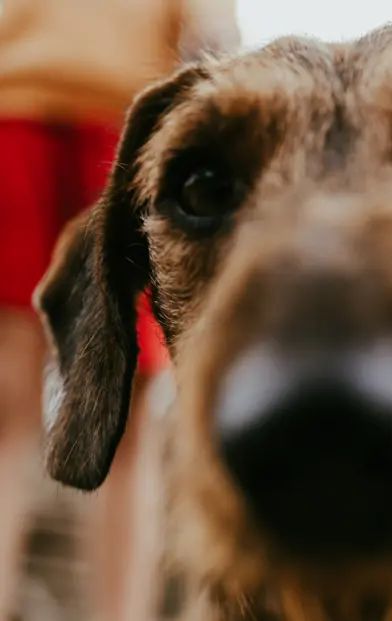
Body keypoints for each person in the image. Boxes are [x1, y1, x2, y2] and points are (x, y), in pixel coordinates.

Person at [0, 1, 241, 619]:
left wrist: (215, 32)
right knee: (5, 395)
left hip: (134, 104)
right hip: (11, 97)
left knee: (130, 397)